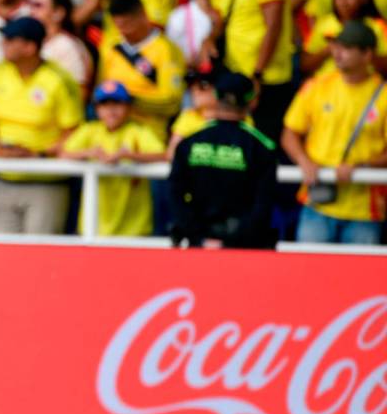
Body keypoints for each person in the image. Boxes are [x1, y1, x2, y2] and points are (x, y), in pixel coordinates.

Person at [0, 17, 83, 235]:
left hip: (45, 182)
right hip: (4, 180)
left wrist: (38, 154)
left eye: (11, 39)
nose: (3, 43)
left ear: (30, 47)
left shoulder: (58, 80)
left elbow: (74, 133)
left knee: (39, 258)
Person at [282, 21, 387, 244]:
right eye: (336, 46)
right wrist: (304, 162)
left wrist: (361, 167)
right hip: (318, 202)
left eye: (347, 48)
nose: (337, 53)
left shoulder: (384, 96)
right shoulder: (317, 85)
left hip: (364, 211)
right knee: (309, 274)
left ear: (367, 55)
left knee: (358, 278)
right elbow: (290, 132)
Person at [169, 72, 278, 249]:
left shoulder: (189, 143)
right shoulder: (262, 148)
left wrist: (199, 237)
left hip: (199, 245)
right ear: (252, 102)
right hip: (244, 249)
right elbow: (263, 205)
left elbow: (175, 194)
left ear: (215, 98)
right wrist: (230, 242)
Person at [206, 0, 294, 144]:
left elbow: (274, 25)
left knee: (262, 146)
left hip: (267, 82)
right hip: (233, 76)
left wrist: (257, 75)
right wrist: (209, 39)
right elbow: (220, 23)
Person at [61, 81, 166, 237]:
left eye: (117, 103)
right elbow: (63, 153)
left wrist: (128, 155)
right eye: (104, 104)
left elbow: (163, 155)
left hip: (134, 228)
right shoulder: (90, 130)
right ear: (96, 109)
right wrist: (89, 152)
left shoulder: (137, 131)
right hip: (94, 224)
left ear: (128, 107)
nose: (111, 110)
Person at [97, 0, 185, 140]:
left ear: (143, 14)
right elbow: (101, 90)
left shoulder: (166, 50)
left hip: (148, 133)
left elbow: (172, 103)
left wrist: (129, 100)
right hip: (113, 134)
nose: (124, 31)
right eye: (119, 26)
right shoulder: (111, 47)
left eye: (128, 24)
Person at [300, 0, 387, 76]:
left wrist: (361, 52)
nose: (343, 2)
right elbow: (304, 66)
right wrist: (328, 51)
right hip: (327, 87)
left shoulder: (377, 26)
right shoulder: (325, 24)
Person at [29, 0, 93, 101]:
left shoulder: (67, 46)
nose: (32, 12)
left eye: (38, 6)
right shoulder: (40, 43)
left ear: (58, 13)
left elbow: (80, 92)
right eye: (31, 6)